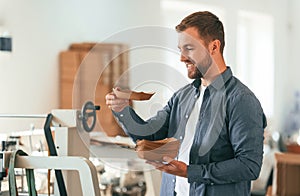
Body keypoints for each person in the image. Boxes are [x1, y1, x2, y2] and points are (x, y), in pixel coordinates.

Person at [106, 11, 267, 196]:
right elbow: (149, 138)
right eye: (180, 49)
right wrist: (123, 110)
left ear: (214, 47)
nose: (182, 57)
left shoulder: (241, 100)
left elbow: (249, 166)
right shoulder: (182, 96)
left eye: (189, 48)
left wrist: (189, 172)